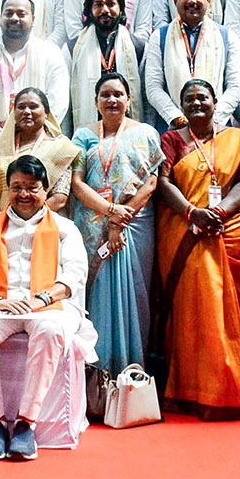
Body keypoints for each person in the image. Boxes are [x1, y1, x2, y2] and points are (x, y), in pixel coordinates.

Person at [0, 154, 95, 461]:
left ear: (45, 190)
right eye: (16, 187)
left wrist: (42, 299)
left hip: (49, 304)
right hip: (2, 304)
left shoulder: (65, 228)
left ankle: (25, 424)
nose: (23, 193)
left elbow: (75, 274)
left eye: (32, 187)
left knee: (50, 329)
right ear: (7, 189)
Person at [154, 79, 240, 419]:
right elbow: (163, 183)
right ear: (181, 106)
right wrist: (193, 213)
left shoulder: (239, 139)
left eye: (202, 97)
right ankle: (199, 390)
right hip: (186, 229)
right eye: (188, 99)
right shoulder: (172, 139)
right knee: (196, 310)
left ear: (215, 102)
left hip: (236, 229)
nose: (196, 103)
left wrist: (219, 212)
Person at [70, 72, 161, 372]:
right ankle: (96, 374)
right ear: (96, 101)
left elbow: (151, 183)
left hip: (135, 224)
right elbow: (77, 183)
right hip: (92, 224)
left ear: (128, 99)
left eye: (118, 94)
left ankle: (131, 372)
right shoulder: (83, 135)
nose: (112, 100)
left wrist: (120, 219)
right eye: (105, 95)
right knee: (97, 296)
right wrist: (110, 211)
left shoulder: (145, 133)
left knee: (134, 293)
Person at [143, 0, 240, 133]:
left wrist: (212, 119)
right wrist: (177, 118)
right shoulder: (159, 37)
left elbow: (235, 87)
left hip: (217, 127)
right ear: (175, 0)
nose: (191, 1)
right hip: (173, 128)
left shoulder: (227, 36)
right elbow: (153, 87)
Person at [0, 0, 69, 132]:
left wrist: (34, 132)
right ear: (0, 18)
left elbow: (58, 101)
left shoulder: (51, 54)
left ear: (33, 19)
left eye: (21, 14)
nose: (14, 18)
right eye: (8, 13)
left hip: (39, 137)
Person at [0, 87, 78, 221]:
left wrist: (24, 221)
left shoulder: (62, 148)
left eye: (33, 107)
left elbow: (59, 198)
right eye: (21, 107)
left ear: (47, 113)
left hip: (43, 222)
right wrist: (4, 221)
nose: (26, 111)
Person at [67, 0, 145, 131]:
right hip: (89, 133)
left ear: (121, 10)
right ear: (90, 11)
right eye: (98, 5)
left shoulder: (138, 47)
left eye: (111, 4)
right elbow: (68, 101)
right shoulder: (72, 48)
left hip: (130, 130)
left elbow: (146, 99)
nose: (105, 10)